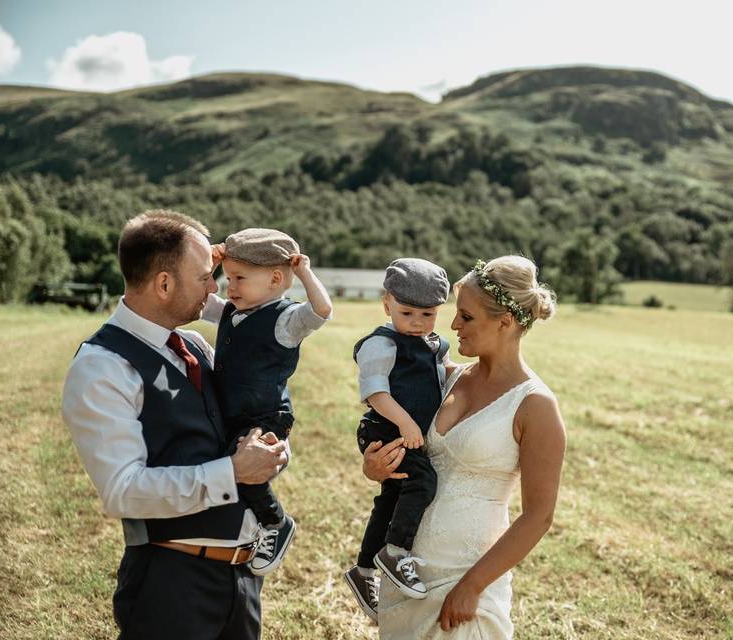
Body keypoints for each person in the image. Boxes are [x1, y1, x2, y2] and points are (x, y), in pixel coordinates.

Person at [62, 210, 288, 640]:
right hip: (171, 586)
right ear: (164, 284)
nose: (215, 286)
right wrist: (234, 473)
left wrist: (271, 449)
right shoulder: (102, 367)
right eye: (205, 275)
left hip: (241, 582)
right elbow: (123, 492)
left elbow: (234, 426)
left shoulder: (195, 345)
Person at [361, 256, 566, 638]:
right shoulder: (447, 378)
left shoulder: (536, 406)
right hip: (409, 572)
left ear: (505, 321)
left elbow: (538, 517)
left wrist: (472, 586)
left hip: (467, 578)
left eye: (466, 317)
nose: (453, 325)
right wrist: (377, 469)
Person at [204, 228, 333, 575]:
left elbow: (321, 310)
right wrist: (210, 266)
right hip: (234, 411)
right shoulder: (232, 310)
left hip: (265, 415)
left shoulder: (285, 320)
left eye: (239, 278)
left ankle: (276, 523)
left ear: (276, 278)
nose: (230, 287)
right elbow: (203, 301)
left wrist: (304, 271)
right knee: (231, 465)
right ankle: (248, 524)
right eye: (228, 278)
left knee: (245, 466)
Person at [343, 258, 454, 623]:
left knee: (391, 498)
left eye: (428, 314)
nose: (417, 323)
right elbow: (376, 392)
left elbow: (439, 375)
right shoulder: (382, 344)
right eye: (407, 313)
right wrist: (407, 423)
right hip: (387, 431)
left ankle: (363, 571)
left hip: (406, 433)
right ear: (387, 303)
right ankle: (396, 551)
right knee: (423, 481)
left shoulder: (431, 344)